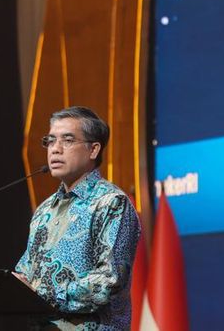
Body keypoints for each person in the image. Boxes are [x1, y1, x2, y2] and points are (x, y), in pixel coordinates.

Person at [15, 106, 141, 330]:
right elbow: (26, 274)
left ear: (93, 150)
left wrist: (45, 296)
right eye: (51, 141)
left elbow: (109, 280)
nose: (55, 149)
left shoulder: (111, 203)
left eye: (67, 140)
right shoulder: (44, 210)